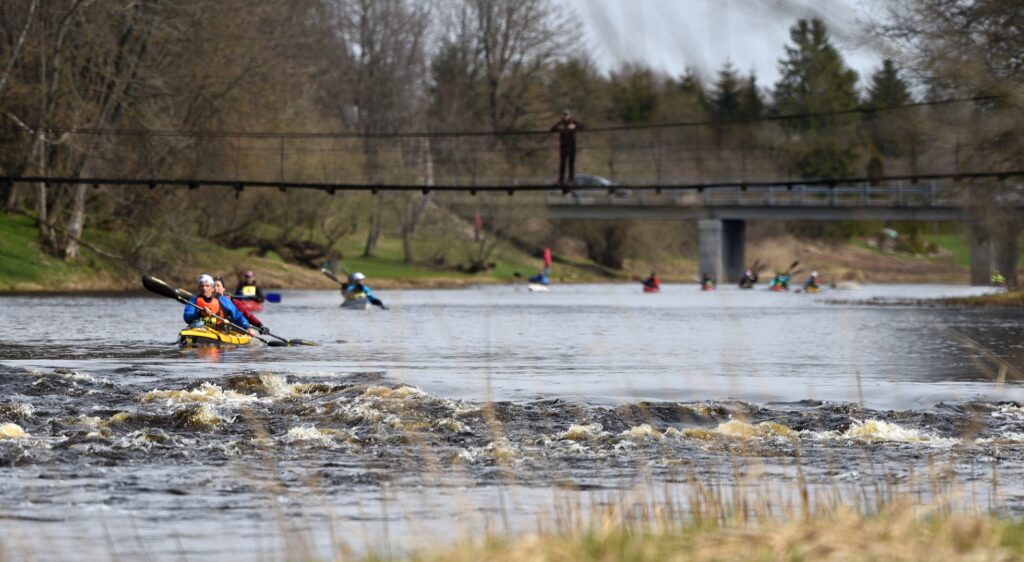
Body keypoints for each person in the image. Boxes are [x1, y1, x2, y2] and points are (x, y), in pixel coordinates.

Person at [184, 274, 258, 335]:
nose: (204, 288)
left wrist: (247, 327)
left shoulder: (223, 300)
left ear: (212, 288)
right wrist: (199, 313)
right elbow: (187, 317)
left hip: (220, 331)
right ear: (199, 288)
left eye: (207, 286)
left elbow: (237, 316)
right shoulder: (193, 301)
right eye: (202, 286)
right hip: (199, 329)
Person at [550, 110, 583, 185]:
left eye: (567, 115)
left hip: (572, 145)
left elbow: (583, 126)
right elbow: (552, 129)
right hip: (563, 146)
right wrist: (558, 128)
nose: (566, 116)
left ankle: (571, 179)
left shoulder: (573, 122)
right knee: (562, 163)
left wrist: (575, 127)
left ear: (570, 115)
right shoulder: (560, 123)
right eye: (564, 115)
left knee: (571, 163)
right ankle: (561, 180)